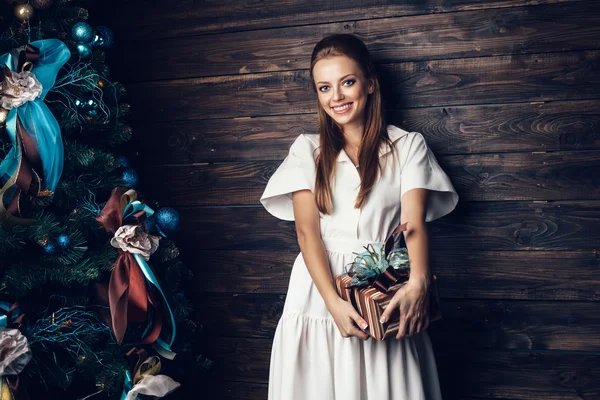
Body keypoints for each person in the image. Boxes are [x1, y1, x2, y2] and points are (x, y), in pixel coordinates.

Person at [260, 33, 459, 400]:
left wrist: (418, 283)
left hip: (382, 280)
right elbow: (307, 234)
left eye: (347, 82)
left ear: (369, 84)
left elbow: (412, 224)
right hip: (318, 286)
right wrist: (333, 303)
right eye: (324, 87)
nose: (336, 97)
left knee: (387, 379)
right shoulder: (307, 150)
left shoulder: (407, 145)